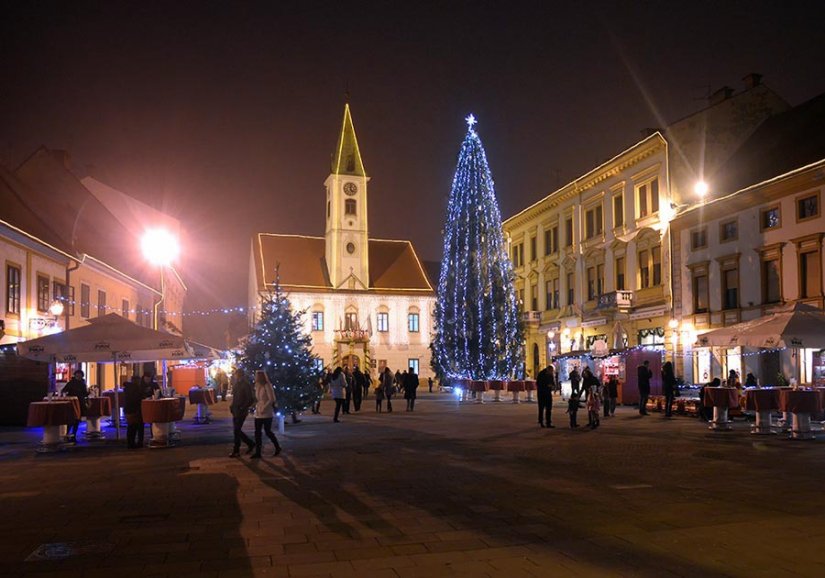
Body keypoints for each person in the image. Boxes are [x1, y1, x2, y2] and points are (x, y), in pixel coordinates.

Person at [252, 370, 282, 458]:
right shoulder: (257, 386)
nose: (255, 378)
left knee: (267, 431)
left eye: (257, 376)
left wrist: (264, 407)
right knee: (257, 432)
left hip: (266, 412)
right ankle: (258, 452)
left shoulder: (267, 386)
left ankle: (277, 446)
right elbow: (258, 398)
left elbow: (272, 399)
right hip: (258, 412)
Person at [229, 372, 256, 457]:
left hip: (241, 411)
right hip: (235, 410)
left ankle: (236, 450)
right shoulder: (237, 384)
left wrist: (243, 407)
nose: (235, 376)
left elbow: (250, 399)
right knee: (236, 430)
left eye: (236, 375)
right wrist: (232, 406)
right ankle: (250, 443)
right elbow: (235, 397)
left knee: (236, 430)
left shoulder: (246, 385)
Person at [62, 369, 88, 442]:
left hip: (77, 402)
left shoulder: (81, 383)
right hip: (74, 402)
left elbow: (85, 393)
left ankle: (72, 434)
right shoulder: (73, 383)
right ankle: (70, 434)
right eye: (78, 374)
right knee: (73, 419)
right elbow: (64, 390)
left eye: (80, 375)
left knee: (75, 419)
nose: (79, 376)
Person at [124, 376, 146, 449]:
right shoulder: (135, 388)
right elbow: (137, 398)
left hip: (129, 410)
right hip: (135, 410)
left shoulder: (127, 388)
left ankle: (131, 443)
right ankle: (136, 443)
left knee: (131, 427)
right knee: (136, 427)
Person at [536, 362, 556, 428]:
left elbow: (553, 383)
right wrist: (546, 386)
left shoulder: (550, 375)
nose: (552, 373)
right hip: (541, 393)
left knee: (549, 408)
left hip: (548, 393)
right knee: (541, 408)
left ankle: (548, 423)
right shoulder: (541, 374)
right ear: (548, 369)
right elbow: (538, 383)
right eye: (551, 371)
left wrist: (552, 386)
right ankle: (541, 422)